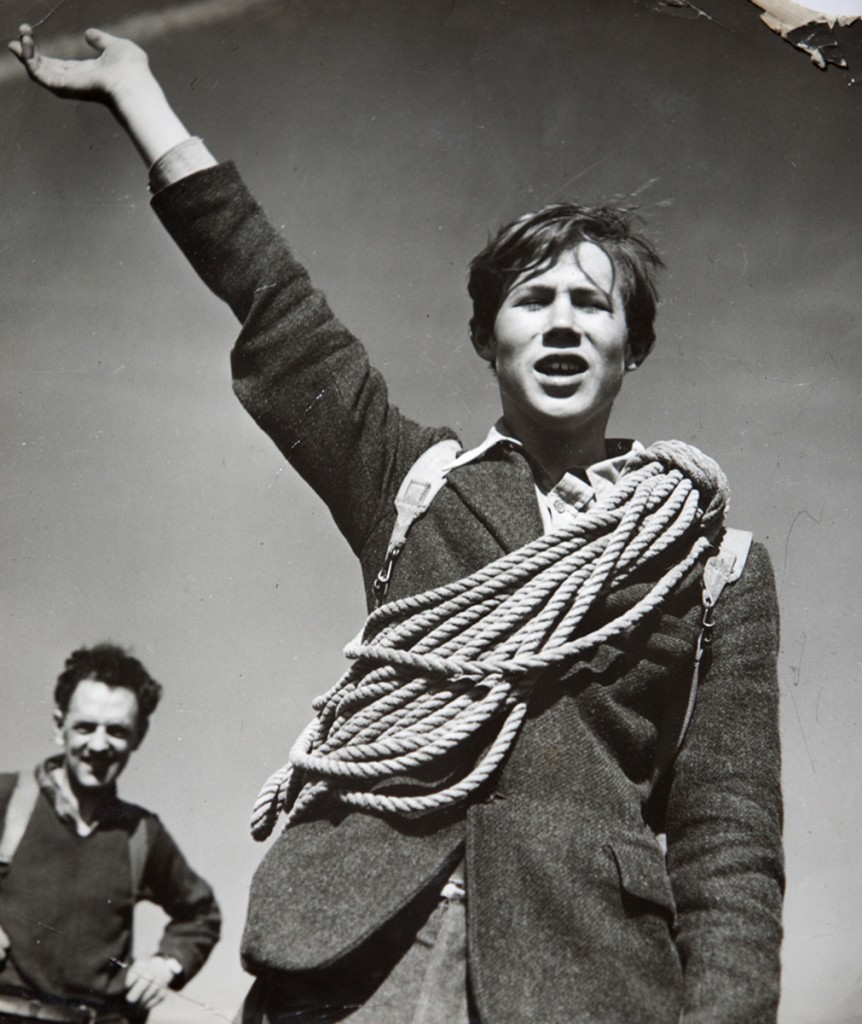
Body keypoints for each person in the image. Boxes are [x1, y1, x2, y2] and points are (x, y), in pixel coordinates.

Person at [9, 25, 784, 1024]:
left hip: (583, 982)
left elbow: (728, 840)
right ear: (486, 337)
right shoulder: (411, 483)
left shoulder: (714, 565)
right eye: (533, 299)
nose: (561, 320)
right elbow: (278, 306)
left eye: (592, 305)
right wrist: (137, 96)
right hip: (353, 965)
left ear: (632, 345)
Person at [0, 644, 221, 1024]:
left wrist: (166, 964)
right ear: (59, 726)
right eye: (85, 727)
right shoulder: (8, 799)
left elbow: (201, 914)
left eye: (116, 731)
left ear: (139, 736)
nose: (99, 745)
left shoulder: (142, 833)